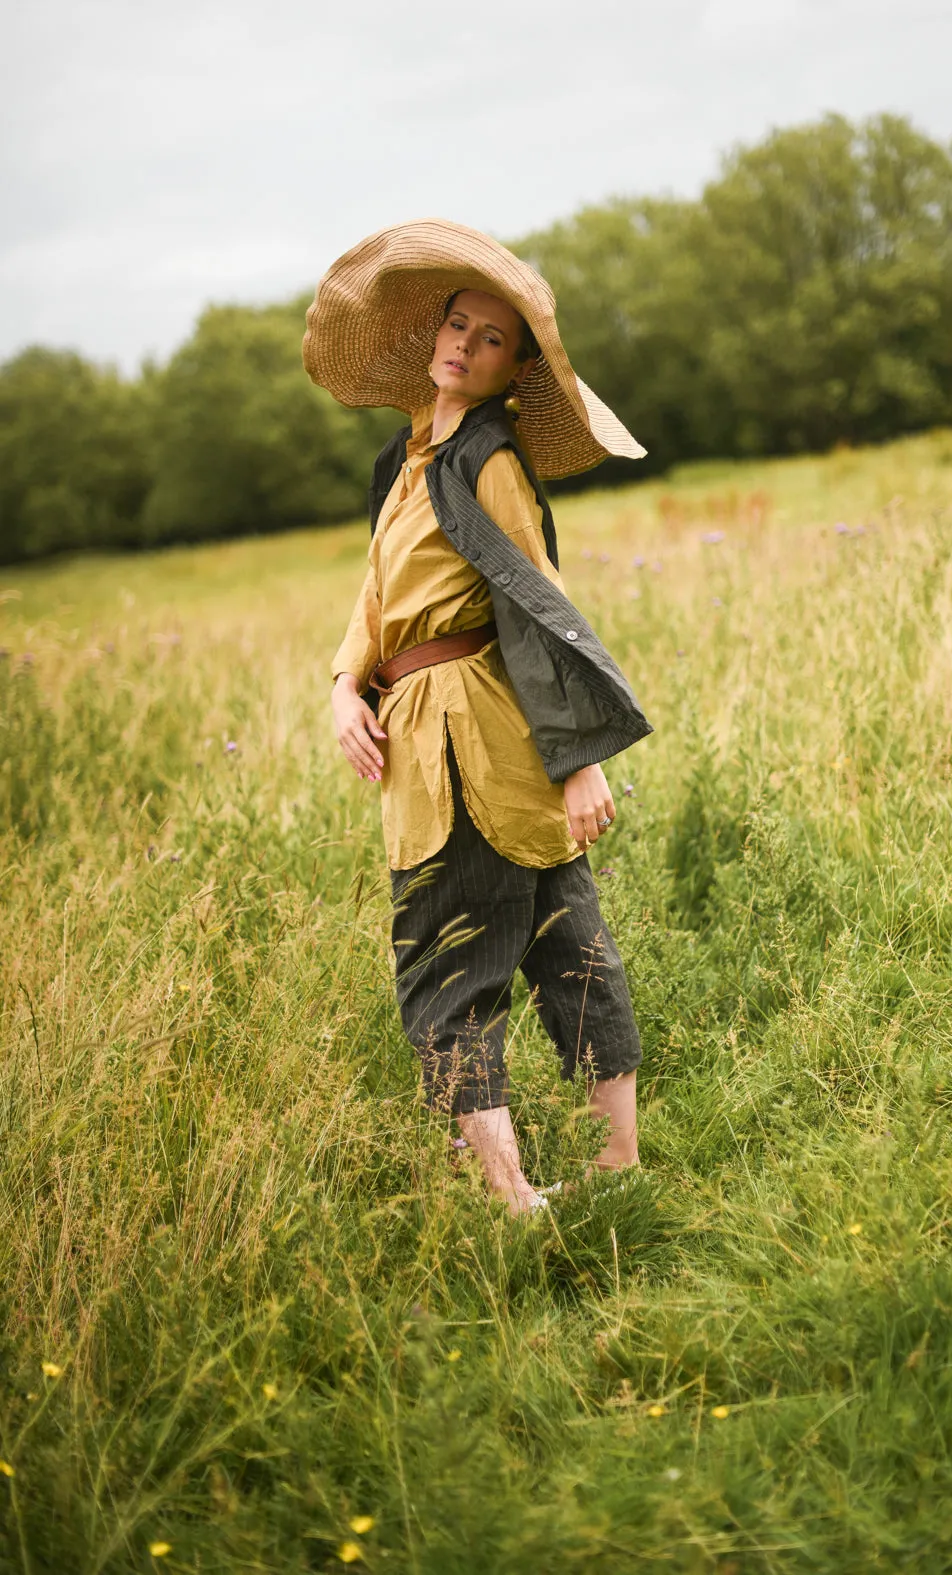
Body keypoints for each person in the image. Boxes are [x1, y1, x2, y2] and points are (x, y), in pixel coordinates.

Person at [304, 219, 653, 1218]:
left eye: (491, 338)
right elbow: (375, 601)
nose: (463, 344)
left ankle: (530, 1200)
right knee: (564, 942)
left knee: (453, 972)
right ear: (433, 336)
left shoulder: (484, 461)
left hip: (472, 744)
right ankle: (604, 1176)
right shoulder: (408, 464)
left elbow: (540, 606)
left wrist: (580, 760)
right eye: (457, 324)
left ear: (513, 371)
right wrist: (343, 684)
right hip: (425, 742)